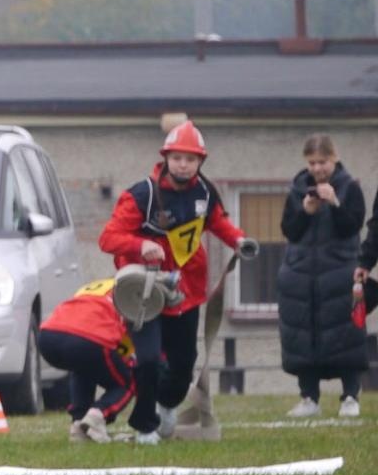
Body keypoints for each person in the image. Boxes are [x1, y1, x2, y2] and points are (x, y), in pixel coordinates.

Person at [98, 121, 256, 444]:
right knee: (148, 360)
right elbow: (108, 238)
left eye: (190, 159)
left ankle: (167, 405)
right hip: (145, 293)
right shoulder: (142, 194)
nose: (183, 164)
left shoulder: (205, 193)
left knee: (184, 363)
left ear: (200, 162)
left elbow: (219, 223)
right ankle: (145, 426)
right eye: (177, 158)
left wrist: (239, 241)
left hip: (186, 292)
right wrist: (140, 245)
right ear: (166, 159)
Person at [280, 134, 366, 419]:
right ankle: (309, 397)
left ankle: (350, 396)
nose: (317, 168)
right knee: (303, 338)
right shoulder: (297, 190)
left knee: (347, 335)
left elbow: (352, 226)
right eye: (312, 163)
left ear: (334, 158)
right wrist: (305, 212)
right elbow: (289, 230)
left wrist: (335, 203)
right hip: (301, 276)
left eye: (323, 162)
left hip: (340, 274)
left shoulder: (351, 187)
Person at [38, 279, 136, 443]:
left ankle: (79, 423)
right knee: (127, 382)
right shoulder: (133, 291)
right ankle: (98, 415)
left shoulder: (97, 286)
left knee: (83, 367)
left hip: (48, 336)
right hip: (88, 337)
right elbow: (126, 345)